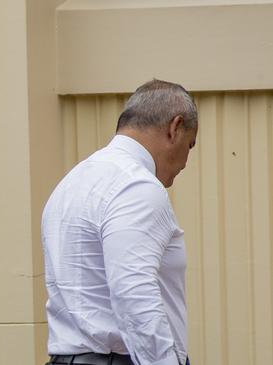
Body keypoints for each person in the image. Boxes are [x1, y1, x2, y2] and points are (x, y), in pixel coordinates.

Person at [41, 79, 197, 365]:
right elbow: (134, 294)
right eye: (190, 145)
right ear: (175, 128)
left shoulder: (71, 184)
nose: (186, 162)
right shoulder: (137, 186)